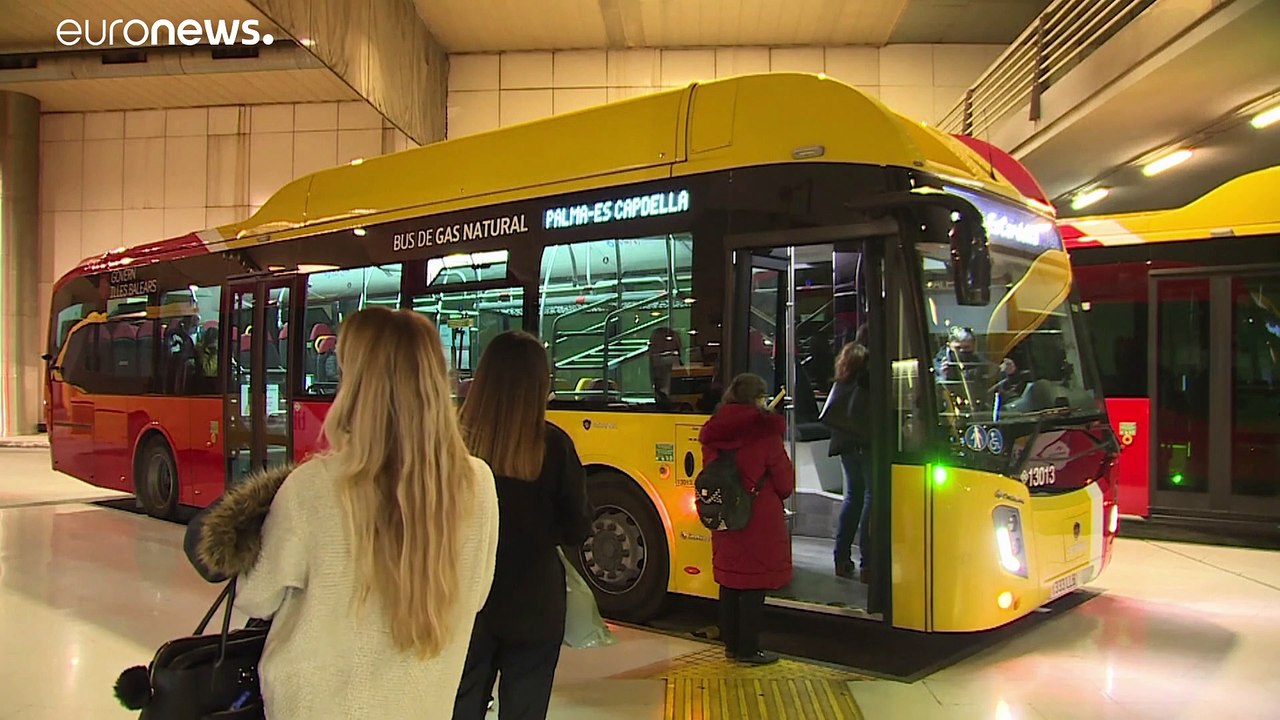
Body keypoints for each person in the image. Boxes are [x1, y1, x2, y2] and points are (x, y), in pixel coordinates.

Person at [183, 307, 500, 719]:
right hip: (424, 704)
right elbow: (475, 596)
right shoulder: (478, 484)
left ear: (356, 385)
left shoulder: (313, 488)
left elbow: (257, 598)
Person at [452, 331, 594, 720]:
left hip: (467, 600)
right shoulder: (555, 446)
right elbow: (578, 527)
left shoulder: (453, 444)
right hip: (535, 603)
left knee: (461, 704)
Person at [698, 373, 795, 666]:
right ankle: (749, 649)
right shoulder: (766, 433)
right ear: (758, 399)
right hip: (758, 517)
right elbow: (785, 483)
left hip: (725, 512)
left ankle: (730, 645)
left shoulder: (713, 431)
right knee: (753, 584)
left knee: (729, 580)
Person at [820, 342, 871, 582]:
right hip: (867, 446)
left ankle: (841, 558)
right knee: (872, 500)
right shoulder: (867, 382)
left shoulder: (841, 383)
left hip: (846, 448)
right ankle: (869, 561)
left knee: (852, 499)